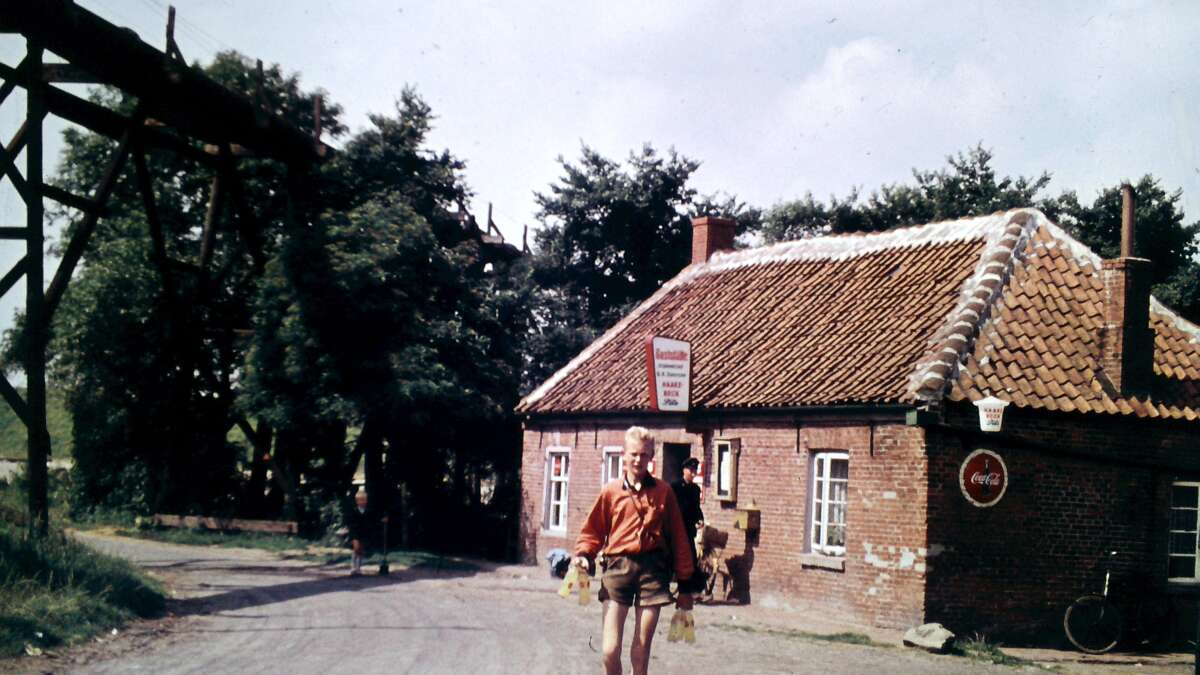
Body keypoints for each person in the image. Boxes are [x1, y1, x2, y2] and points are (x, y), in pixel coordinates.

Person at [574, 426, 694, 675]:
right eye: (634, 454)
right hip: (618, 569)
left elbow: (680, 539)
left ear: (652, 458)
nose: (638, 460)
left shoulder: (664, 492)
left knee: (640, 652)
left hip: (653, 572)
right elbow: (592, 531)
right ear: (623, 455)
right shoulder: (611, 491)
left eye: (644, 455)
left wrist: (685, 585)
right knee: (609, 651)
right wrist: (585, 555)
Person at [670, 457, 705, 593]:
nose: (693, 474)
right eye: (691, 470)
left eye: (695, 471)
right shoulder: (675, 487)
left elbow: (696, 508)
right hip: (676, 530)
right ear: (684, 470)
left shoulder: (695, 489)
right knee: (671, 558)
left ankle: (688, 589)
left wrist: (700, 518)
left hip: (689, 530)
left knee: (690, 557)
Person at [345, 489, 385, 576]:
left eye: (364, 500)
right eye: (360, 500)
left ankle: (358, 568)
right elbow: (350, 522)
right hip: (355, 532)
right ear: (357, 501)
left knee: (360, 551)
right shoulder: (354, 511)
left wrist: (381, 520)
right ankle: (353, 567)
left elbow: (373, 520)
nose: (362, 502)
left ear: (366, 501)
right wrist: (350, 531)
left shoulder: (368, 511)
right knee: (356, 549)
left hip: (364, 533)